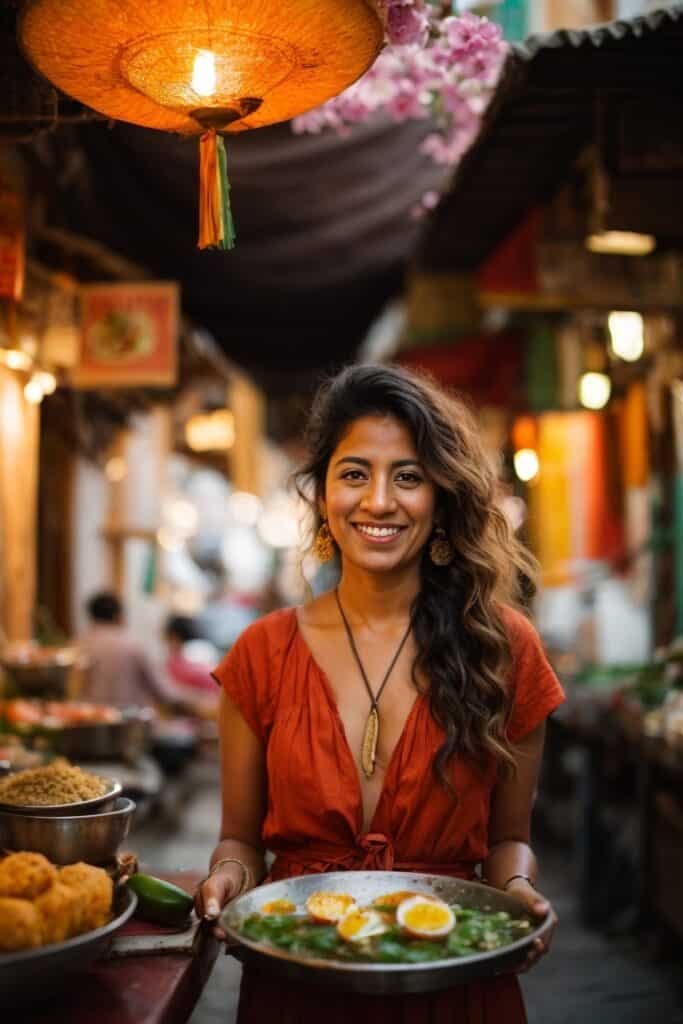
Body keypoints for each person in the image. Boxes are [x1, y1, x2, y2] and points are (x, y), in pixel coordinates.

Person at [196, 365, 565, 1023]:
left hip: (450, 980)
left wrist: (516, 893)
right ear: (322, 495)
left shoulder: (503, 649)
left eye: (408, 476)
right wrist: (229, 880)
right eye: (354, 473)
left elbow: (510, 840)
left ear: (441, 498)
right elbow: (240, 841)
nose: (377, 501)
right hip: (299, 980)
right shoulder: (260, 653)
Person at [80, 591, 173, 708]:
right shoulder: (133, 645)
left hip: (86, 720)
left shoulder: (79, 645)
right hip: (130, 721)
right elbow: (162, 690)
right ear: (118, 616)